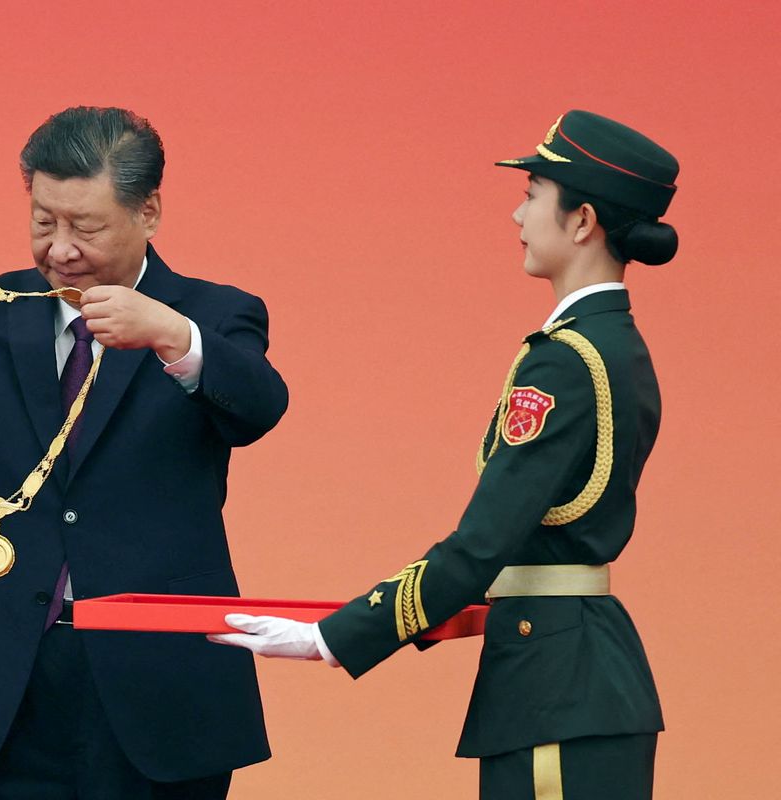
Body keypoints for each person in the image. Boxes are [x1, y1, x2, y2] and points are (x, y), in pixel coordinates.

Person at [210, 110, 679, 799]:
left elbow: (482, 545)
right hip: (571, 676)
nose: (518, 216)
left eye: (532, 196)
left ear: (582, 221)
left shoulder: (566, 361)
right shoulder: (610, 344)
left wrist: (332, 638)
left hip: (556, 691)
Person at [0, 106, 289, 798]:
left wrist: (172, 337)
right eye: (44, 221)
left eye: (87, 226)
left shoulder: (214, 316)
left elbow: (258, 407)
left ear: (149, 212)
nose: (61, 249)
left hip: (154, 682)